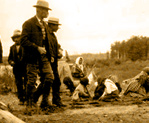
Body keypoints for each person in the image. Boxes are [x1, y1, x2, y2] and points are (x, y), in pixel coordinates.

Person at [20, 0, 54, 109]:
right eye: (45, 10)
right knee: (31, 81)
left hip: (44, 57)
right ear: (38, 10)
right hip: (32, 57)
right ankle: (29, 105)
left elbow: (48, 42)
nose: (47, 13)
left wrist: (51, 54)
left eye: (47, 10)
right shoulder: (28, 23)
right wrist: (37, 48)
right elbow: (23, 41)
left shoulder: (45, 24)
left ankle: (43, 102)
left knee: (49, 77)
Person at [8, 29, 27, 105]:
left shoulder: (25, 46)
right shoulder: (12, 48)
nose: (17, 39)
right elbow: (10, 58)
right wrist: (11, 62)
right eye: (15, 38)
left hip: (25, 68)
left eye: (18, 37)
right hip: (16, 69)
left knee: (26, 83)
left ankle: (27, 98)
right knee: (19, 84)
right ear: (13, 39)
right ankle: (21, 99)